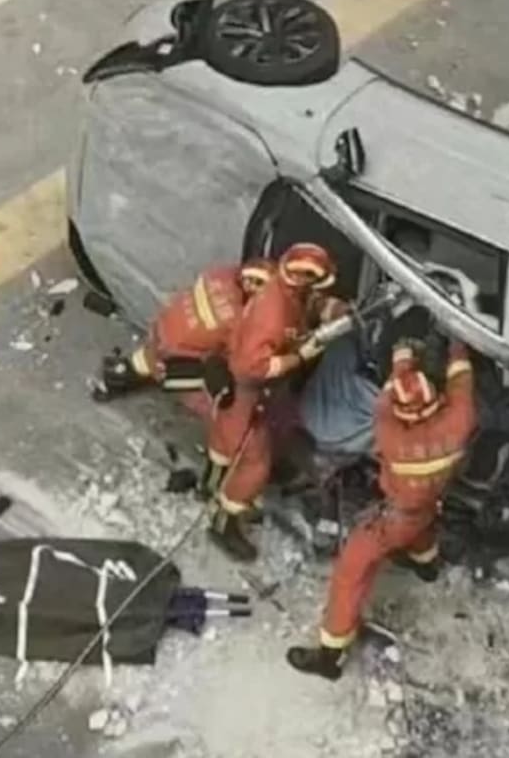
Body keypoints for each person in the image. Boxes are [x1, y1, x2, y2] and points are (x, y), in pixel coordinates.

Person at [285, 335, 477, 679]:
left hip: (394, 516)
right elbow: (462, 380)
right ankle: (427, 565)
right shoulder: (458, 422)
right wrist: (458, 346)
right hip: (431, 500)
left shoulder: (392, 435)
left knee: (351, 571)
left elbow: (386, 398)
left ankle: (331, 654)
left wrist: (402, 355)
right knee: (421, 525)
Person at [204, 242, 347, 562]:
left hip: (246, 391)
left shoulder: (283, 290)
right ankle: (224, 520)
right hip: (249, 391)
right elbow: (251, 366)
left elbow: (308, 303)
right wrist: (296, 357)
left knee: (227, 439)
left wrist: (336, 312)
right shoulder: (273, 313)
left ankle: (211, 486)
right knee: (254, 463)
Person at [96, 258, 278, 409]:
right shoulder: (236, 318)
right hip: (174, 350)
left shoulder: (218, 276)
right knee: (225, 375)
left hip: (164, 325)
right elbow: (240, 354)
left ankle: (120, 373)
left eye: (259, 283)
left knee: (148, 358)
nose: (253, 286)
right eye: (254, 281)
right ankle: (146, 377)